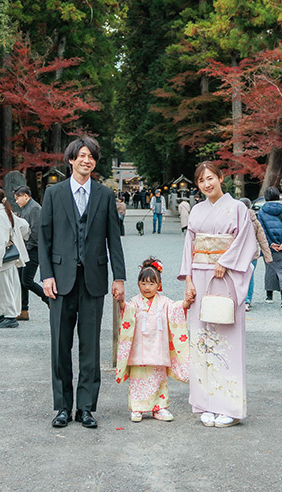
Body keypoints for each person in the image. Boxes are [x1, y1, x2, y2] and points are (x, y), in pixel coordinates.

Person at [39, 136, 126, 430]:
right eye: (81, 156)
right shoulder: (54, 193)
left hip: (93, 280)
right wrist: (46, 275)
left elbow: (113, 238)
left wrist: (119, 277)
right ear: (71, 160)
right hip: (60, 281)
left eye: (91, 156)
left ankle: (86, 407)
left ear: (94, 162)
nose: (86, 160)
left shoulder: (104, 195)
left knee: (90, 347)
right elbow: (45, 238)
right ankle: (62, 406)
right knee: (60, 345)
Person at [179, 161, 257, 428]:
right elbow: (189, 246)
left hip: (225, 276)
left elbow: (247, 241)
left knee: (227, 341)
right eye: (201, 181)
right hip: (200, 277)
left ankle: (229, 406)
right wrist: (188, 280)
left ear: (221, 178)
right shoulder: (196, 211)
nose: (206, 184)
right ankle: (205, 403)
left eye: (210, 178)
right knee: (201, 341)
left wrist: (226, 262)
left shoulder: (237, 208)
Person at [115, 257, 189, 422]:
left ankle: (159, 408)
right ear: (138, 284)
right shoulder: (135, 302)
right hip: (139, 349)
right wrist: (121, 302)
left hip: (157, 347)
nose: (147, 288)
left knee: (158, 380)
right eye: (143, 283)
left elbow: (176, 309)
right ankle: (137, 408)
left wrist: (185, 303)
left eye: (151, 284)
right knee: (138, 380)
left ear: (159, 285)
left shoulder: (165, 302)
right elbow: (126, 311)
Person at [0, 187, 29, 329]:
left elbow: (0, 240)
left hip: (3, 257)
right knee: (5, 285)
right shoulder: (4, 212)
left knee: (1, 286)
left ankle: (9, 315)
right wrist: (16, 238)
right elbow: (24, 225)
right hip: (8, 256)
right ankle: (3, 312)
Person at [14, 185, 48, 320]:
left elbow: (36, 231)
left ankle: (47, 299)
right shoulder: (26, 208)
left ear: (26, 196)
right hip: (26, 248)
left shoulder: (34, 208)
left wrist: (27, 244)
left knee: (27, 280)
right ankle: (23, 310)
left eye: (18, 198)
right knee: (21, 281)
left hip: (32, 248)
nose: (16, 201)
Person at [257, 187, 282, 307]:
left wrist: (270, 244)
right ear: (278, 196)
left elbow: (261, 231)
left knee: (270, 270)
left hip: (270, 248)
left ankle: (269, 296)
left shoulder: (262, 212)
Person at [239, 197, 272, 311]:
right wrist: (268, 257)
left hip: (239, 254)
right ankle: (247, 300)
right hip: (253, 254)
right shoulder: (255, 221)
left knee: (238, 276)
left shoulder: (236, 220)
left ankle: (239, 299)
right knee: (250, 276)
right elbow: (262, 240)